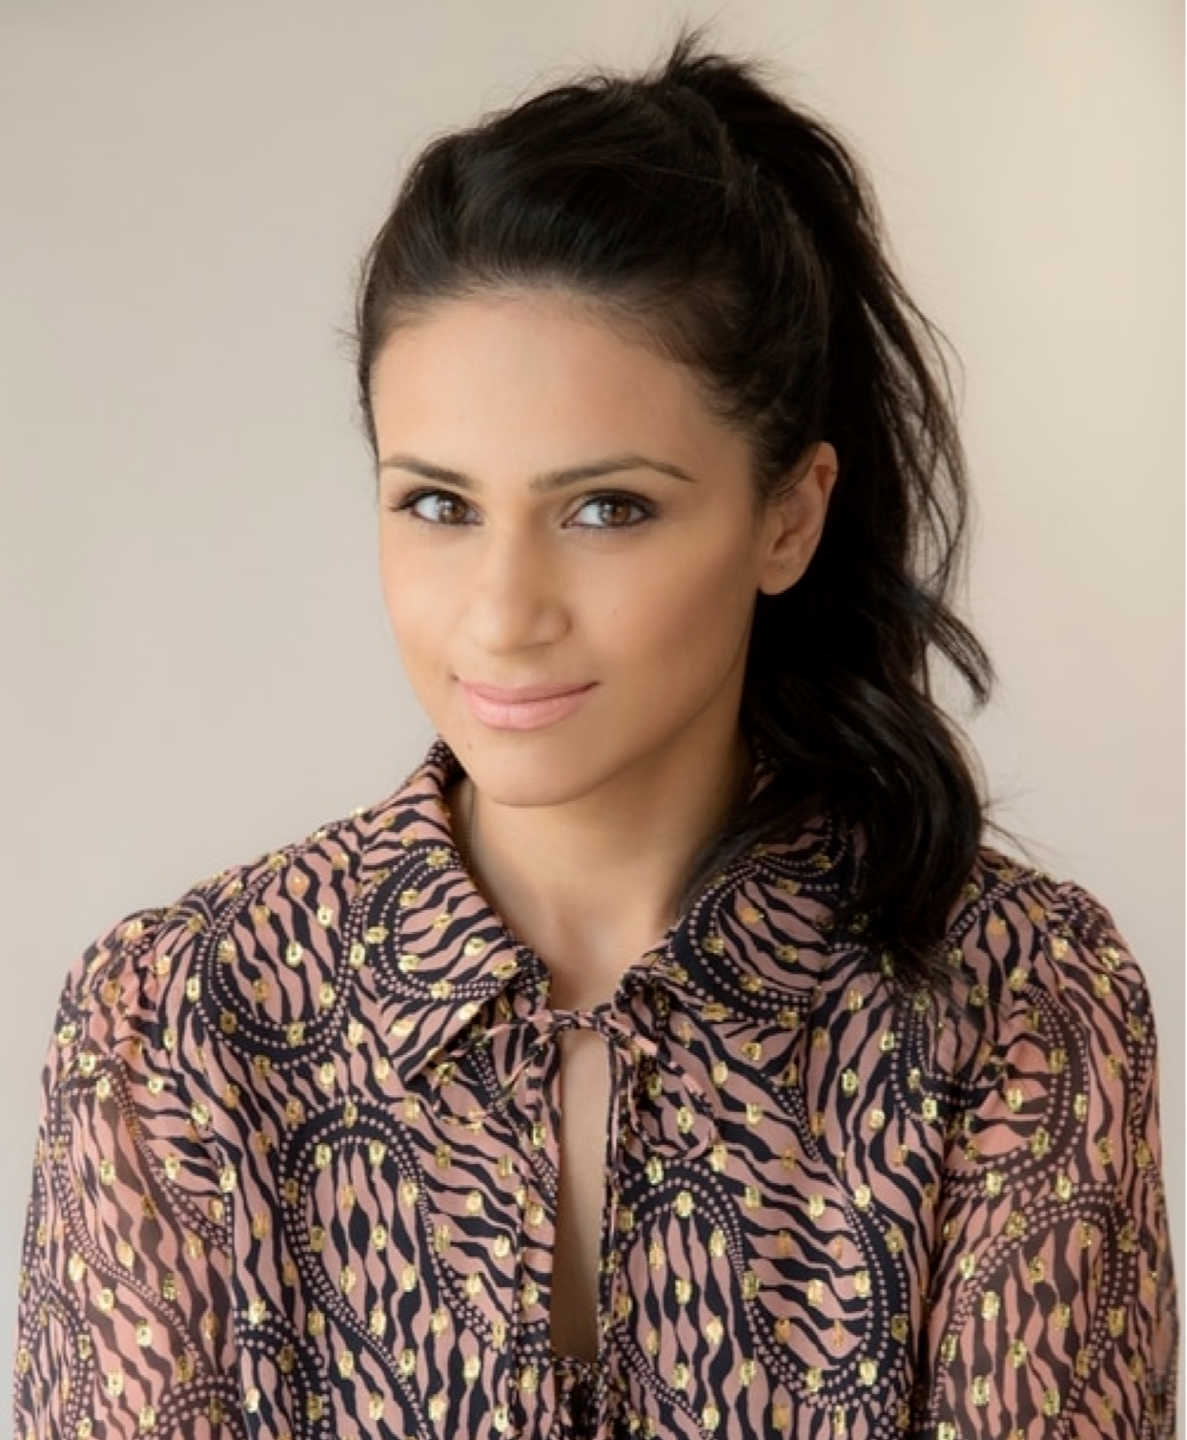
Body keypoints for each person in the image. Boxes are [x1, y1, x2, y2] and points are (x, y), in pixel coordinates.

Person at [13, 35, 1177, 1440]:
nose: (503, 615)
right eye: (437, 504)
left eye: (605, 509)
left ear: (789, 518)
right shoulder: (178, 1024)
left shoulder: (1014, 1004)